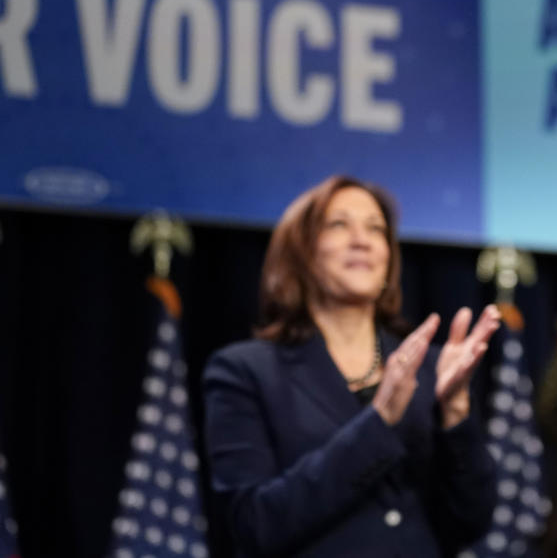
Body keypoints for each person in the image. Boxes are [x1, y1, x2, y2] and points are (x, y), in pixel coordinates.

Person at [202, 175, 501, 557]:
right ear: (301, 250)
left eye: (375, 229)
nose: (362, 240)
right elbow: (253, 525)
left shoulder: (431, 370)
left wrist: (456, 413)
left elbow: (472, 521)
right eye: (338, 224)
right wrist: (379, 420)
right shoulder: (243, 371)